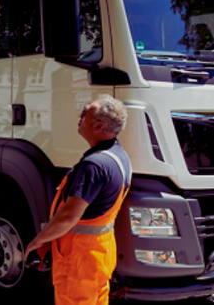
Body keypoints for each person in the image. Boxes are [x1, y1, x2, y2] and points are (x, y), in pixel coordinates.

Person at [25, 94, 132, 305]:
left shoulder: (94, 165)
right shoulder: (119, 157)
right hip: (100, 253)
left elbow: (67, 217)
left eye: (85, 113)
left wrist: (38, 242)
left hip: (78, 259)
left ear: (98, 125)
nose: (79, 116)